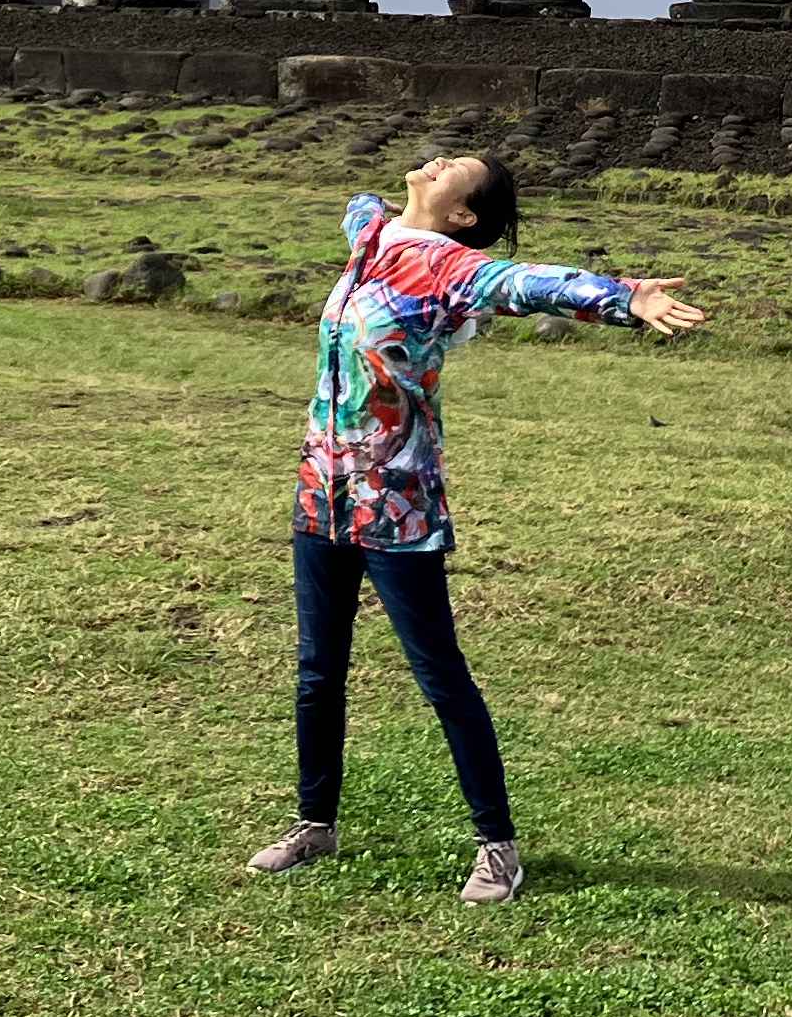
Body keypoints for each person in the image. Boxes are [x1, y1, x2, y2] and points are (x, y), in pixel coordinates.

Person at [249, 148, 708, 903]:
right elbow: (360, 204)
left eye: (455, 166)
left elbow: (524, 283)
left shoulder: (447, 268)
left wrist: (624, 297)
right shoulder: (369, 234)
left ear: (466, 215)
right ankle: (313, 822)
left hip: (395, 500)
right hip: (320, 493)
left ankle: (496, 846)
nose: (434, 160)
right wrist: (394, 207)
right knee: (316, 672)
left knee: (440, 678)